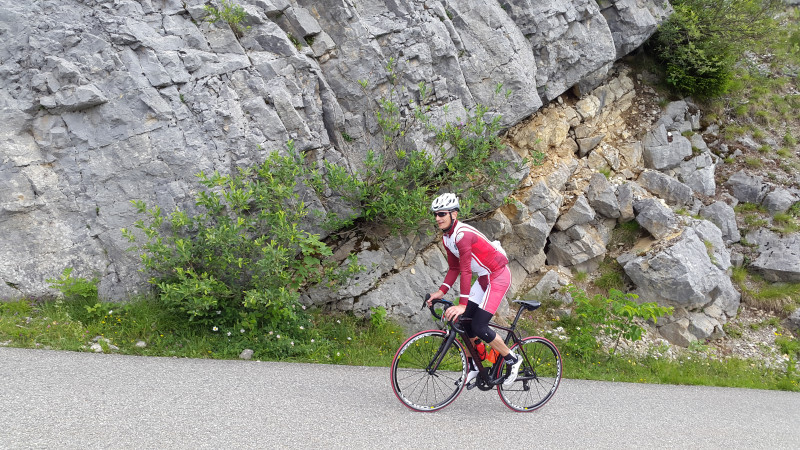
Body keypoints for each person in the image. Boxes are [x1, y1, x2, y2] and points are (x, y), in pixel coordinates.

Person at [426, 193, 522, 387]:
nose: (437, 218)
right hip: (485, 278)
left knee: (479, 325)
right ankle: (474, 366)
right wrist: (441, 292)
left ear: (454, 214)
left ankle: (512, 358)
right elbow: (454, 268)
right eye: (435, 214)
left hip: (498, 276)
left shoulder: (462, 235)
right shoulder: (447, 238)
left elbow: (466, 270)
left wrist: (462, 304)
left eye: (442, 213)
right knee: (464, 322)